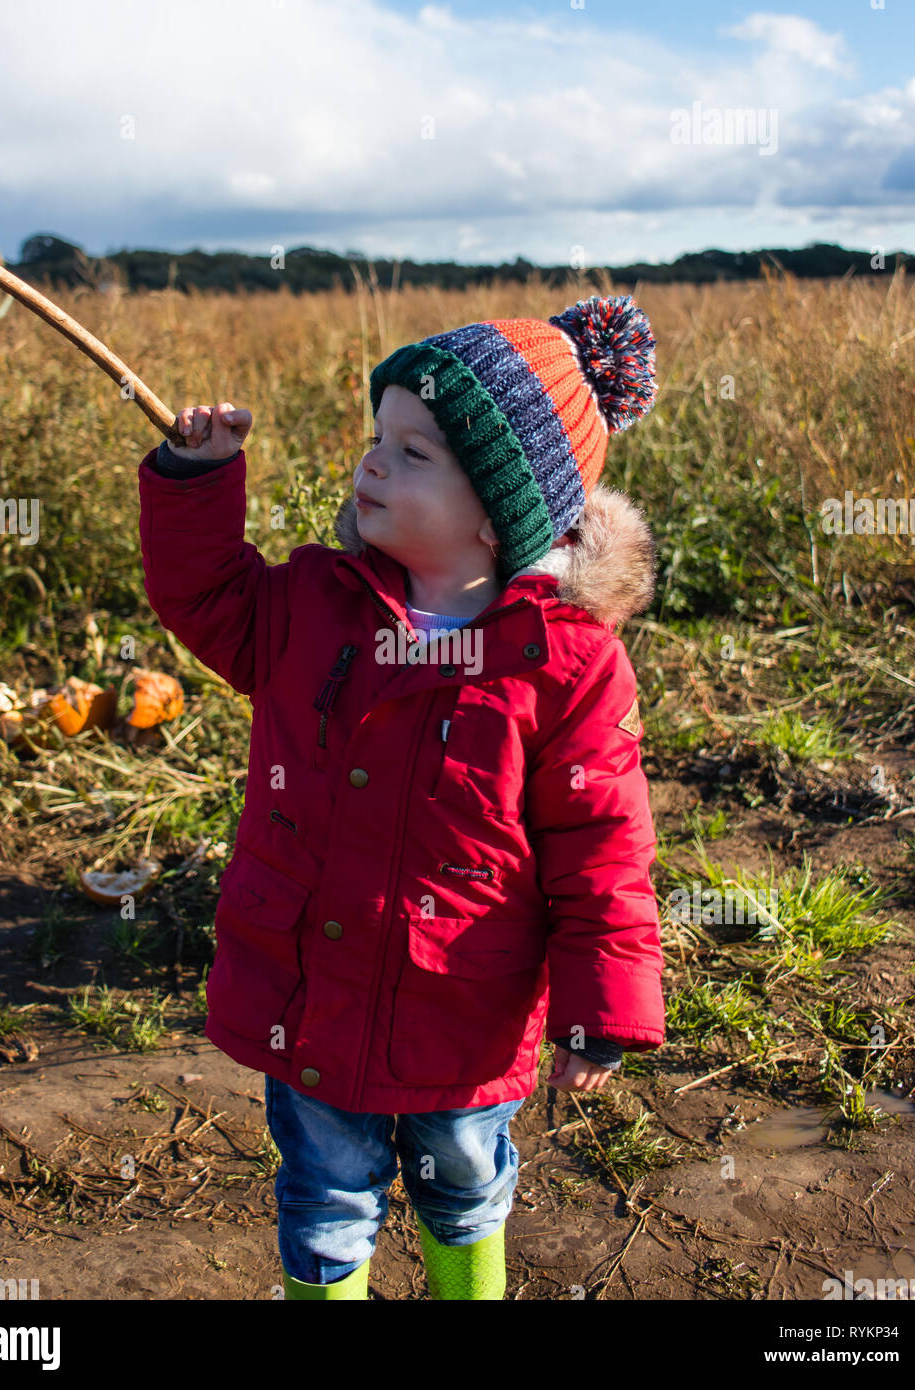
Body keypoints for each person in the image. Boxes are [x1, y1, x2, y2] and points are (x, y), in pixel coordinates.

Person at [137, 293, 666, 1300]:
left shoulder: (562, 661)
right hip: (309, 990)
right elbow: (201, 597)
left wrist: (605, 1005)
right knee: (325, 1192)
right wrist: (193, 481)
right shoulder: (309, 606)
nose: (371, 462)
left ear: (495, 510)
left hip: (464, 1010)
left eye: (414, 453)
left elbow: (599, 841)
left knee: (463, 1180)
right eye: (377, 437)